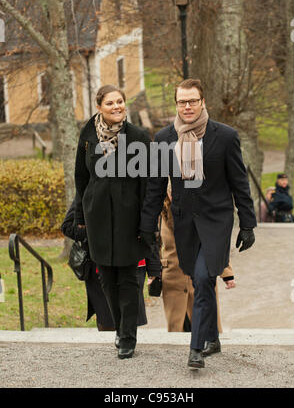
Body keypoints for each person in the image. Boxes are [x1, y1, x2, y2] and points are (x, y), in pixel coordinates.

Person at [140, 78, 256, 369]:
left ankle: (197, 347)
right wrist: (147, 225)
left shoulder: (225, 136)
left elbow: (239, 182)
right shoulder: (164, 138)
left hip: (217, 219)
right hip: (185, 222)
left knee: (203, 278)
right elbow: (155, 186)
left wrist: (248, 223)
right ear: (176, 104)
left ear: (203, 102)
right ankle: (213, 338)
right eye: (182, 101)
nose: (187, 106)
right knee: (199, 278)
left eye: (192, 101)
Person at [74, 84, 158, 359]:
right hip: (97, 219)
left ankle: (127, 336)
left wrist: (147, 223)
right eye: (110, 103)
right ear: (99, 107)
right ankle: (120, 328)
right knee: (107, 279)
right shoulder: (88, 136)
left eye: (120, 101)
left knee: (129, 280)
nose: (117, 107)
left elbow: (149, 183)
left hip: (129, 220)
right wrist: (81, 218)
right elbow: (81, 179)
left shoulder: (139, 137)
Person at [61, 195, 160, 332]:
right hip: (100, 265)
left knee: (129, 318)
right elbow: (67, 226)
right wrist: (98, 232)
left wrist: (154, 268)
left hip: (134, 263)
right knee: (108, 321)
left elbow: (148, 230)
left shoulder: (136, 185)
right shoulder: (91, 186)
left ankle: (127, 345)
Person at [160, 189, 236, 354]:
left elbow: (215, 239)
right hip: (173, 275)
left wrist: (226, 272)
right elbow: (153, 240)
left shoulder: (200, 206)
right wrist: (153, 272)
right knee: (176, 330)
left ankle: (205, 348)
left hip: (200, 272)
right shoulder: (162, 206)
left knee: (204, 322)